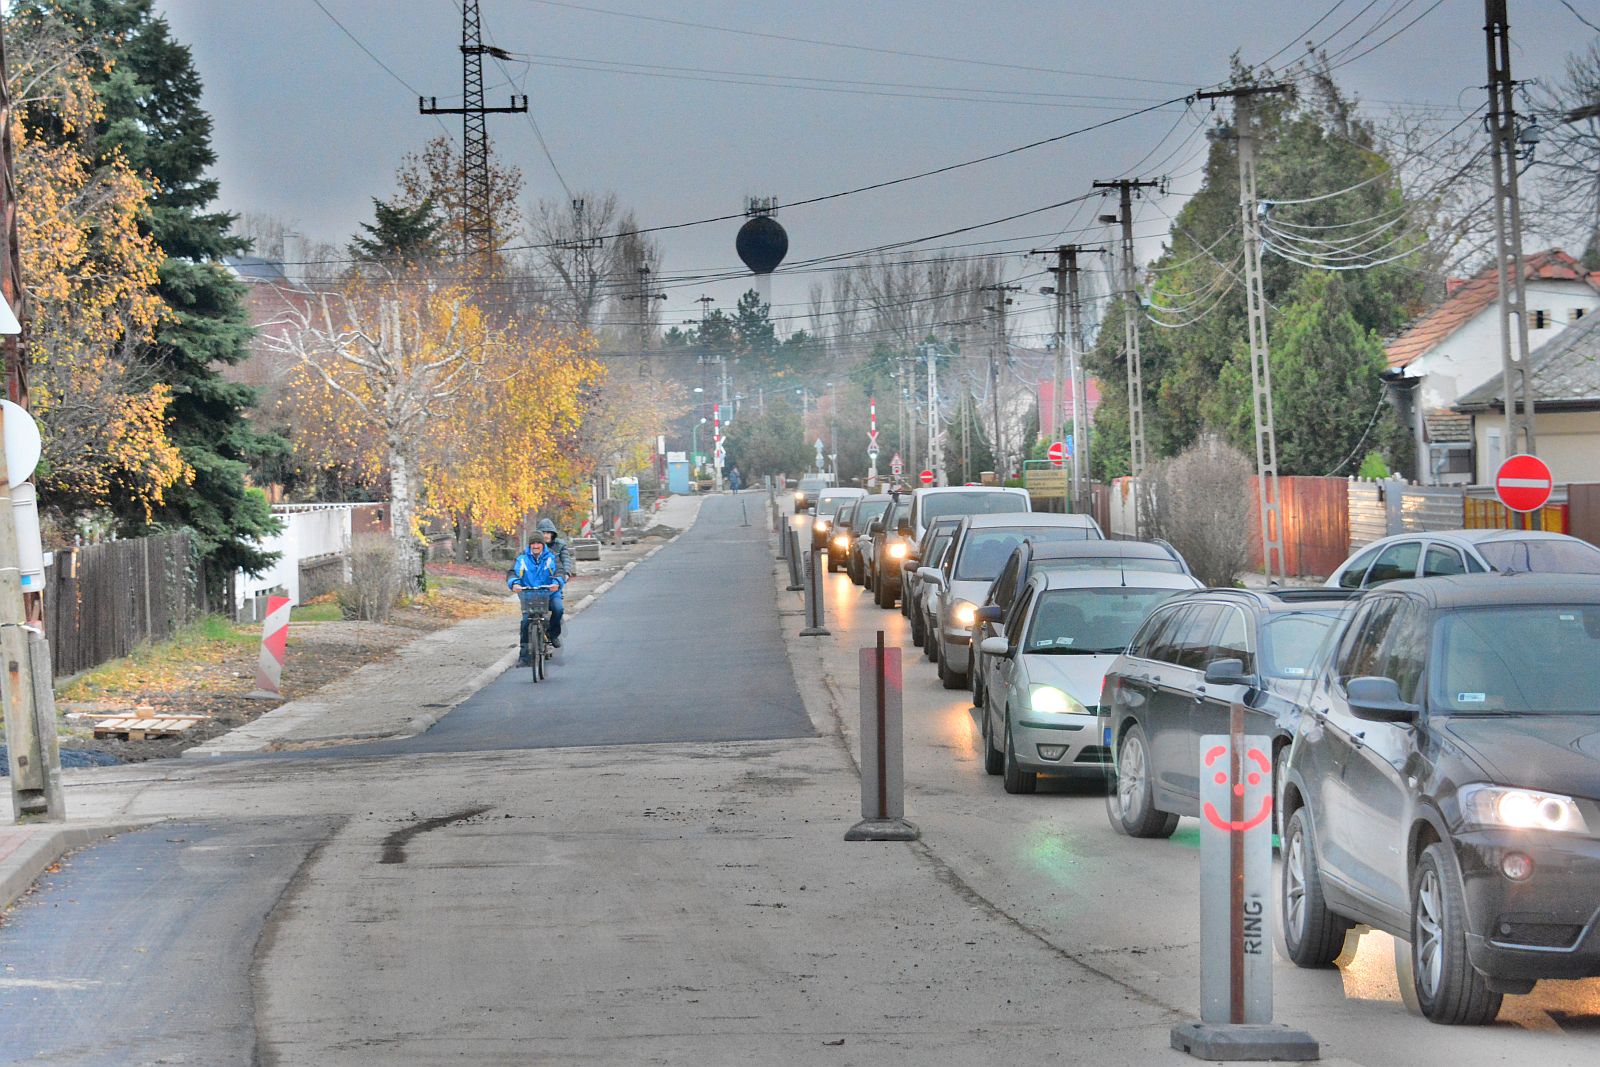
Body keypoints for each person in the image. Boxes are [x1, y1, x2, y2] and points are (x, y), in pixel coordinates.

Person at [508, 536, 565, 661]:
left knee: (558, 609)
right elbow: (512, 573)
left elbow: (560, 571)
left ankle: (553, 634)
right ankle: (525, 655)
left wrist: (557, 582)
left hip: (550, 592)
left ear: (543, 544)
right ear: (529, 545)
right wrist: (514, 583)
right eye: (533, 543)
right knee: (525, 622)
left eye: (538, 543)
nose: (535, 546)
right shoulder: (522, 558)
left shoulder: (552, 557)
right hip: (529, 594)